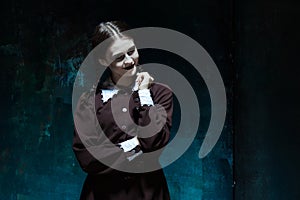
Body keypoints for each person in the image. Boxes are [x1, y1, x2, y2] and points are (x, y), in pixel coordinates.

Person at [72, 21, 173, 200]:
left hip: (149, 193)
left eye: (131, 51)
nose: (129, 61)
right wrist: (134, 144)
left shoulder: (159, 93)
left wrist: (143, 94)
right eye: (118, 57)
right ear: (103, 60)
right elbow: (88, 158)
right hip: (102, 195)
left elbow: (153, 142)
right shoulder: (88, 102)